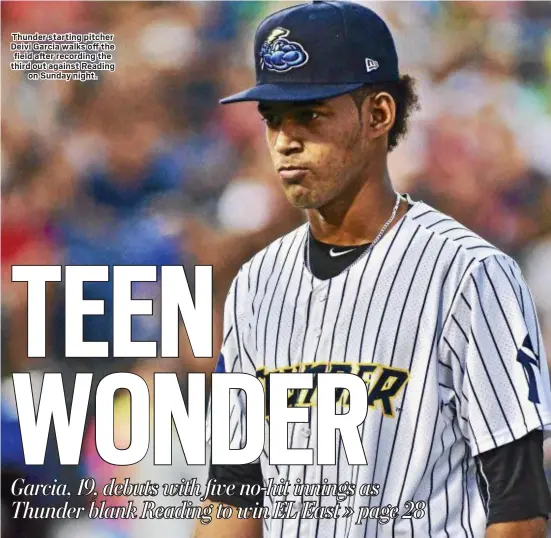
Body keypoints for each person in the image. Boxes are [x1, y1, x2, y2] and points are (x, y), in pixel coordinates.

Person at [195, 1, 551, 537]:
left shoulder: (470, 275)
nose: (284, 141)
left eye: (309, 115)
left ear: (379, 114)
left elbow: (518, 508)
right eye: (273, 119)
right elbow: (232, 491)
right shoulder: (256, 284)